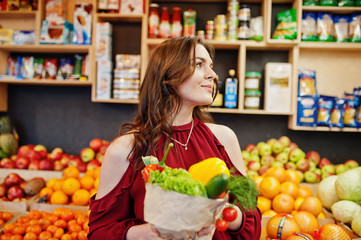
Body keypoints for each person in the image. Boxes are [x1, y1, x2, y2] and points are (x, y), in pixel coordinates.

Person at [88, 36, 261, 240]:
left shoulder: (224, 139)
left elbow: (252, 226)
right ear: (168, 74)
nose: (213, 74)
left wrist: (225, 215)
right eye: (199, 64)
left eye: (211, 66)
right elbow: (99, 232)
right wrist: (148, 233)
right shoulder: (125, 149)